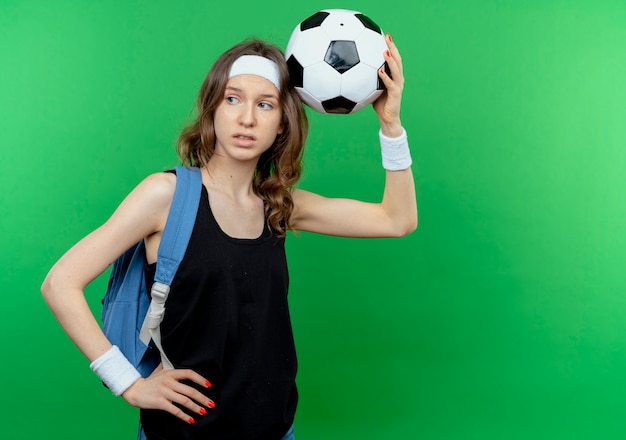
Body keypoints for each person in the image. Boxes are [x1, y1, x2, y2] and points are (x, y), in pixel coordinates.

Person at [41, 35, 416, 440]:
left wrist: (390, 125)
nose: (247, 118)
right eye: (233, 99)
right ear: (213, 110)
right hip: (184, 433)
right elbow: (60, 283)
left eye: (265, 104)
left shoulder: (279, 205)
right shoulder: (165, 196)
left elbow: (397, 220)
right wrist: (128, 384)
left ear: (281, 124)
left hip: (274, 429)